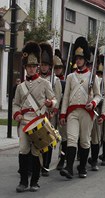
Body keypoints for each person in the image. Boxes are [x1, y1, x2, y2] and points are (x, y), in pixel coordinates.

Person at [13, 41, 57, 192]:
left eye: (33, 66)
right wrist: (17, 113)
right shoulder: (20, 87)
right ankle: (23, 181)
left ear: (37, 67)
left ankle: (35, 182)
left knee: (36, 151)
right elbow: (16, 103)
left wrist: (50, 103)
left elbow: (55, 100)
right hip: (25, 122)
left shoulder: (44, 83)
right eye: (28, 67)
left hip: (38, 121)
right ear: (25, 68)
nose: (31, 69)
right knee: (23, 149)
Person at [59, 37, 101, 179]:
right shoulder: (70, 77)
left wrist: (93, 103)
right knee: (71, 138)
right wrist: (63, 114)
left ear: (86, 59)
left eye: (81, 58)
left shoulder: (92, 77)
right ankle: (69, 168)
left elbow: (98, 95)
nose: (78, 60)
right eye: (77, 58)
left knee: (84, 140)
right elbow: (65, 97)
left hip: (86, 112)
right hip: (72, 112)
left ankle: (82, 167)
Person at [39, 42, 62, 177]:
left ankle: (46, 166)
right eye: (42, 65)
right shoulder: (36, 79)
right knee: (37, 140)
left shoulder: (55, 81)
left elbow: (57, 98)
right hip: (38, 113)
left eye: (46, 65)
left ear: (49, 66)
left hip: (50, 113)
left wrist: (54, 110)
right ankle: (37, 164)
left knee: (48, 140)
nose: (43, 67)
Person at [53, 52, 68, 170]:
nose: (57, 70)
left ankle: (62, 159)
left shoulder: (67, 80)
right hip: (52, 112)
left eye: (59, 68)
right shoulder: (50, 80)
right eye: (55, 68)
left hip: (63, 111)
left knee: (64, 138)